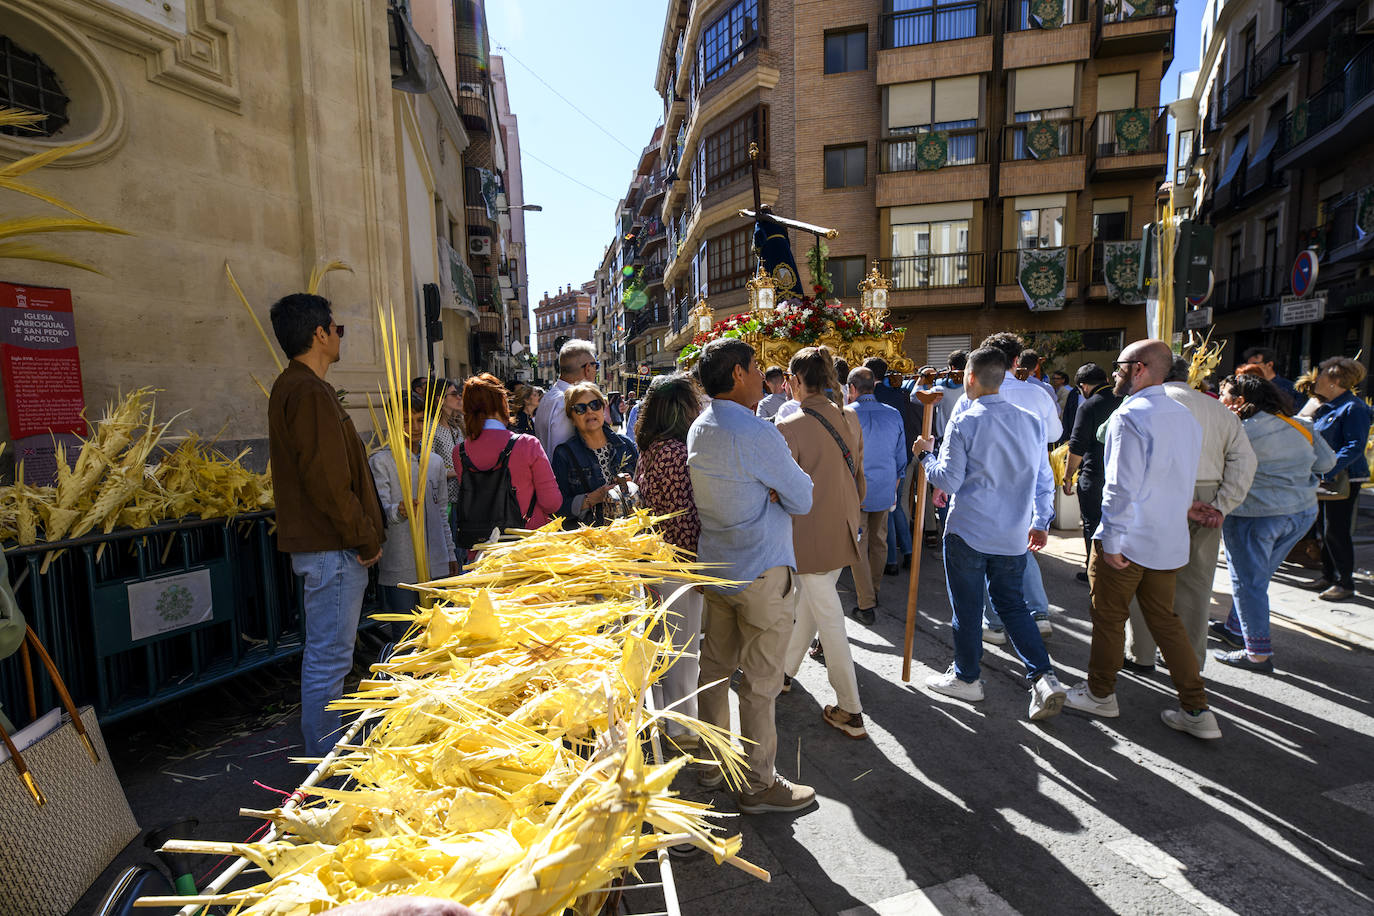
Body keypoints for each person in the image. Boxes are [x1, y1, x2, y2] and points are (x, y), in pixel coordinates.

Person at [1063, 339, 1222, 740]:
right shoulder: (1184, 416)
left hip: (1129, 540)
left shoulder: (1129, 416)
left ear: (1138, 368)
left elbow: (1119, 488)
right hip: (1165, 539)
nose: (1113, 373)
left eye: (1119, 366)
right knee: (1166, 622)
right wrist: (1183, 509)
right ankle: (1196, 707)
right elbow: (1173, 478)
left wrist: (1111, 541)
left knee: (1108, 618)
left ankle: (1100, 693)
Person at [687, 337, 815, 814]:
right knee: (760, 684)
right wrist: (774, 494)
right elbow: (802, 497)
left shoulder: (700, 427)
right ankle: (759, 784)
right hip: (761, 569)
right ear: (738, 374)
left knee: (714, 671)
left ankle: (711, 762)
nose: (764, 375)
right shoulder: (757, 432)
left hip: (719, 567)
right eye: (758, 367)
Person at [913, 346, 1067, 721]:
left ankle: (967, 678)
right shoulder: (1032, 420)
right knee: (1013, 606)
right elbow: (1043, 478)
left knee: (967, 610)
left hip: (970, 530)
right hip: (1013, 533)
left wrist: (924, 455)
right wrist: (1040, 520)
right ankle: (1043, 676)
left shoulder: (965, 420)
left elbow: (947, 480)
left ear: (969, 377)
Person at [266, 293, 384, 757]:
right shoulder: (308, 391)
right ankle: (323, 761)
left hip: (327, 547)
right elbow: (329, 480)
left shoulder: (298, 387)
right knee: (330, 658)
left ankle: (325, 752)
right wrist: (363, 535)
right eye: (337, 329)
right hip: (333, 547)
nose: (339, 336)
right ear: (319, 333)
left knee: (328, 655)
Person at [1124, 356, 1256, 672]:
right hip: (1207, 493)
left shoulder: (1141, 405)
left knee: (1144, 576)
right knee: (1196, 582)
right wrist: (1223, 504)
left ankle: (1141, 652)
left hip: (1154, 492)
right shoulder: (1219, 410)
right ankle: (1188, 660)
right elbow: (1244, 462)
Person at [1211, 374, 1335, 671]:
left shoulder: (1238, 430)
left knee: (1248, 582)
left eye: (1223, 395)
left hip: (1254, 516)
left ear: (1239, 401)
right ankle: (1236, 628)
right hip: (1301, 513)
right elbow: (1326, 463)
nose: (1220, 401)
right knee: (1258, 577)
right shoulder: (1300, 425)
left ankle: (1257, 653)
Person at [777, 348, 868, 739]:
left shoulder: (789, 426)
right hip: (845, 524)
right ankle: (783, 672)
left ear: (796, 380)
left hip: (808, 532)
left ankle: (850, 708)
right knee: (813, 606)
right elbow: (859, 475)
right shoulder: (850, 416)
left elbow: (781, 490)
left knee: (827, 616)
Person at [947, 332, 1059, 637]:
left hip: (980, 498)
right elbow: (1052, 439)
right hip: (1022, 490)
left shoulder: (967, 401)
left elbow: (952, 453)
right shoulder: (1038, 395)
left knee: (983, 560)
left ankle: (995, 624)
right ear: (1015, 361)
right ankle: (1037, 615)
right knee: (1019, 553)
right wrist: (1043, 517)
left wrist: (939, 481)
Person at [633, 373, 706, 749]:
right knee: (683, 652)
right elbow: (683, 519)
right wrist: (695, 570)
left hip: (655, 563)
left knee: (665, 647)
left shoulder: (650, 448)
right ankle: (680, 728)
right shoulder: (677, 452)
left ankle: (665, 718)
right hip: (677, 565)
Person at [370, 390, 459, 638]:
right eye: (406, 421)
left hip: (437, 561)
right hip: (401, 564)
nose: (415, 427)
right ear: (392, 423)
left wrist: (450, 553)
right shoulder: (381, 462)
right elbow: (381, 510)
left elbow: (442, 512)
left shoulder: (435, 462)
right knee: (406, 634)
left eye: (420, 420)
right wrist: (399, 511)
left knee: (440, 632)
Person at [456, 373, 561, 536]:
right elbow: (551, 503)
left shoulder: (459, 452)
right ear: (502, 403)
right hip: (527, 545)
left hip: (481, 547)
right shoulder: (527, 444)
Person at [1305, 356, 1372, 600]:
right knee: (1325, 528)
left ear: (1334, 381)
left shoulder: (1354, 408)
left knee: (1336, 529)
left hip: (1344, 478)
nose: (1316, 378)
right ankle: (1329, 576)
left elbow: (1355, 446)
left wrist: (1328, 470)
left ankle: (1345, 583)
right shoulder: (1326, 406)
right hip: (1326, 476)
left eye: (1321, 374)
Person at [846, 366, 906, 626]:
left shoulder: (847, 414)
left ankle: (866, 601)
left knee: (859, 544)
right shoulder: (893, 414)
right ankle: (874, 591)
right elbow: (901, 457)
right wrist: (894, 487)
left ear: (852, 389)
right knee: (879, 541)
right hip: (885, 486)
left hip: (856, 489)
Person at [551, 382, 638, 528]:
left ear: (603, 408)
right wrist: (591, 498)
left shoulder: (625, 446)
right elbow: (558, 508)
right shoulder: (564, 454)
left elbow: (644, 490)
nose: (589, 411)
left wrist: (631, 486)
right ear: (571, 417)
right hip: (592, 541)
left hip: (630, 534)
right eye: (580, 408)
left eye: (595, 404)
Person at [1062, 363, 1119, 582]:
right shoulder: (1125, 401)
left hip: (1094, 474)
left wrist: (1068, 477)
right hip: (1120, 474)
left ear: (1083, 386)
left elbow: (1077, 446)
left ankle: (1094, 569)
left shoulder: (1089, 406)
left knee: (1093, 524)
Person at [866, 357, 916, 573]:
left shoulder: (873, 397)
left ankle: (892, 560)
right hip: (901, 455)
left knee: (888, 509)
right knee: (897, 509)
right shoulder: (898, 393)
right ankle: (909, 552)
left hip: (881, 460)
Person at [534, 340, 598, 458]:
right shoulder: (568, 401)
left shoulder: (548, 397)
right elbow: (565, 454)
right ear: (588, 368)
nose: (596, 371)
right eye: (596, 365)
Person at [431, 379, 465, 556]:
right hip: (446, 501)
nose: (458, 397)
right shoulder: (431, 430)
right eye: (454, 394)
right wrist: (455, 472)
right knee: (451, 549)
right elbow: (427, 467)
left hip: (461, 497)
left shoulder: (456, 427)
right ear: (439, 399)